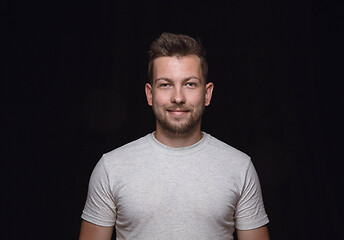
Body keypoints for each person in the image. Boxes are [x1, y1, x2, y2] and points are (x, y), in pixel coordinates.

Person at [79, 33, 270, 240]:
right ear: (150, 94)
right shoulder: (111, 167)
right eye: (165, 84)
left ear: (207, 94)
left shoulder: (239, 167)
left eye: (189, 84)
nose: (178, 98)